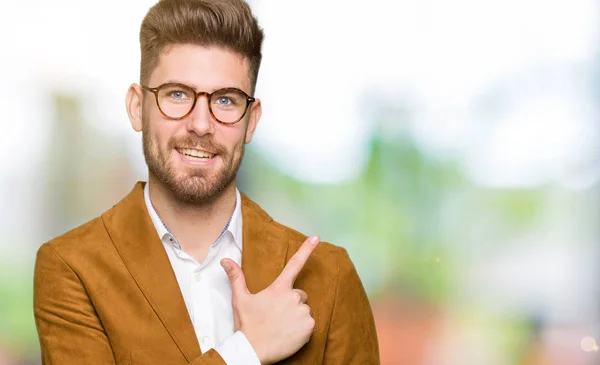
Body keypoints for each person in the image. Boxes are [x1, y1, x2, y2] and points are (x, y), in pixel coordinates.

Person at [33, 0, 380, 364]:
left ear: (252, 120)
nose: (200, 124)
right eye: (177, 94)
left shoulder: (330, 277)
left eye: (226, 100)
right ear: (137, 107)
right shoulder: (71, 267)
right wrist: (247, 351)